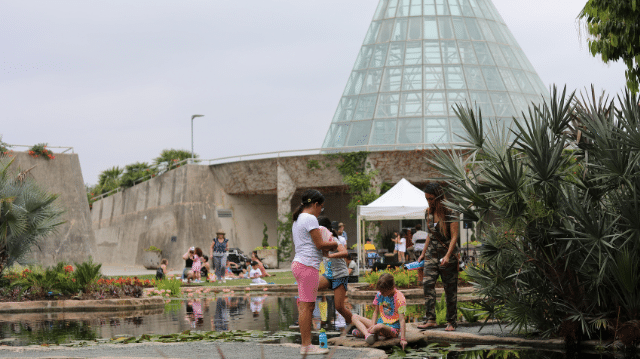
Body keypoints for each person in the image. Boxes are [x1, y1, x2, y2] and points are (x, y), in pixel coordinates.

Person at [291, 189, 338, 355]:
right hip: (307, 265)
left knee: (306, 306)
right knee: (308, 307)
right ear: (316, 204)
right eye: (321, 208)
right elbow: (319, 245)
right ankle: (307, 346)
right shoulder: (310, 218)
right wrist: (334, 244)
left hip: (301, 264)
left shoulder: (298, 219)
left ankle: (306, 345)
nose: (320, 211)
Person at [417, 182, 459, 332]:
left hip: (448, 255)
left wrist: (447, 256)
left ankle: (451, 322)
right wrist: (422, 253)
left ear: (439, 197)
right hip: (431, 255)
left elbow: (454, 237)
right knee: (427, 284)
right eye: (427, 198)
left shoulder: (451, 212)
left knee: (450, 289)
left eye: (431, 198)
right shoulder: (427, 212)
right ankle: (431, 319)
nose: (429, 201)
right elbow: (430, 234)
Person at [350, 273, 407, 349]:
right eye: (381, 291)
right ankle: (368, 335)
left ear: (391, 287)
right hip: (379, 324)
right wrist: (373, 326)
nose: (381, 293)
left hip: (392, 329)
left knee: (379, 326)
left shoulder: (400, 298)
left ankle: (367, 332)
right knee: (354, 316)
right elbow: (375, 312)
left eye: (383, 292)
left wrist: (403, 339)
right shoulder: (379, 294)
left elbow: (402, 319)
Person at [317, 216, 353, 333]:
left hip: (340, 275)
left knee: (339, 307)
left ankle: (354, 324)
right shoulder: (320, 240)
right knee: (310, 285)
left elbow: (345, 252)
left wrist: (330, 256)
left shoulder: (333, 240)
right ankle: (313, 316)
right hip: (328, 275)